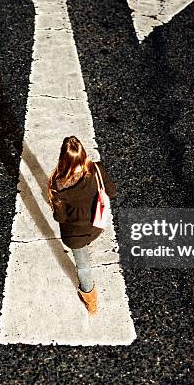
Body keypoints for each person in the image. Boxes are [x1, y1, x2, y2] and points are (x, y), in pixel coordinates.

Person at [47, 135, 117, 315]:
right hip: (96, 226)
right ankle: (91, 302)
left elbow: (60, 218)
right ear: (83, 154)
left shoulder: (58, 185)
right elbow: (112, 192)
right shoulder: (97, 169)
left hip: (75, 236)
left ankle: (91, 302)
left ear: (63, 158)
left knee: (83, 266)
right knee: (86, 253)